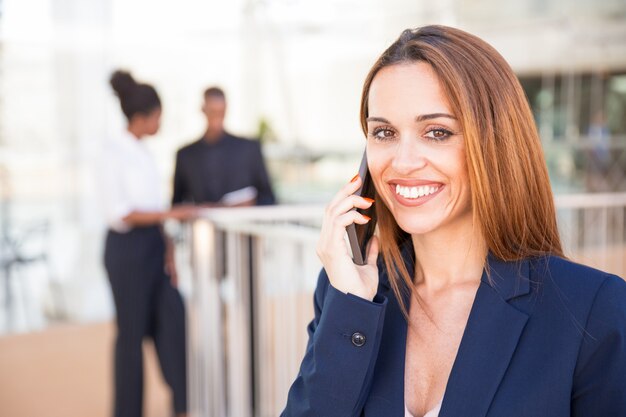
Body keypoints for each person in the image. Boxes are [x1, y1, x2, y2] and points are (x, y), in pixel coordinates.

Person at [282, 25, 626, 417]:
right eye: (383, 132)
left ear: (493, 145)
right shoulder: (348, 293)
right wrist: (350, 309)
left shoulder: (593, 309)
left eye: (436, 132)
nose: (403, 162)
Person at [100, 70, 193, 417]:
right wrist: (172, 213)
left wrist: (169, 251)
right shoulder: (113, 153)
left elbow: (153, 211)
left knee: (173, 319)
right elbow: (119, 213)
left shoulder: (143, 152)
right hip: (126, 254)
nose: (160, 122)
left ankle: (183, 404)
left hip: (153, 248)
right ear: (143, 117)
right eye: (158, 116)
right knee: (131, 337)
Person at [171, 86, 276, 207]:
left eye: (220, 112)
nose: (216, 118)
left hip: (243, 223)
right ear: (203, 109)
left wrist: (248, 204)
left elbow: (268, 198)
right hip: (203, 224)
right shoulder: (186, 155)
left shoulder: (248, 149)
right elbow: (177, 205)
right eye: (212, 112)